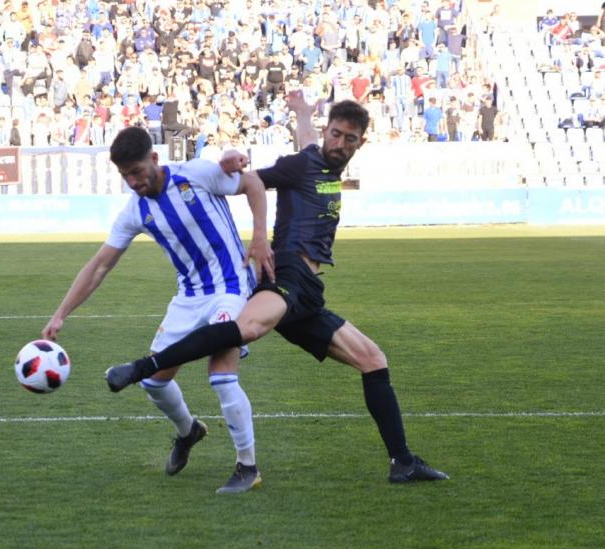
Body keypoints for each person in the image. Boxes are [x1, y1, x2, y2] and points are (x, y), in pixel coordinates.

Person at [106, 94, 449, 485]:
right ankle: (144, 368)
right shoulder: (303, 164)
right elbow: (248, 179)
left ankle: (403, 463)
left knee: (373, 360)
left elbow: (307, 140)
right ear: (327, 132)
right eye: (334, 134)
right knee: (245, 329)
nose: (339, 143)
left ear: (359, 144)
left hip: (307, 295)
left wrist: (302, 110)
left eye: (348, 139)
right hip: (285, 275)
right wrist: (233, 159)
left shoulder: (322, 162)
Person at [42, 126, 274, 494]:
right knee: (155, 382)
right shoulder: (135, 211)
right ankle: (189, 431)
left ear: (154, 159)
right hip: (187, 299)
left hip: (230, 288)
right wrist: (60, 314)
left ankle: (248, 466)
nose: (133, 182)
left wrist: (260, 236)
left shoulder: (195, 174)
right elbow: (100, 265)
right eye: (125, 176)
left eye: (137, 171)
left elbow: (253, 184)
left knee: (221, 375)